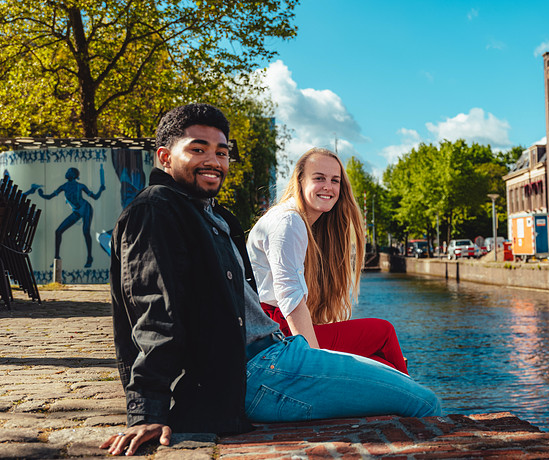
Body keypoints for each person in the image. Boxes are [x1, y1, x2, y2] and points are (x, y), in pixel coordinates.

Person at [102, 103, 441, 456]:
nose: (213, 160)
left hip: (275, 355)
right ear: (165, 157)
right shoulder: (156, 210)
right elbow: (154, 312)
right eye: (197, 149)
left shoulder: (213, 216)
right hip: (262, 371)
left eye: (221, 152)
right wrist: (146, 411)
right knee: (423, 403)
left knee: (400, 385)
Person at [247, 148, 408, 374]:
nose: (328, 187)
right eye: (319, 178)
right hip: (275, 331)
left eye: (335, 180)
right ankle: (417, 403)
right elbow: (289, 297)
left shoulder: (298, 220)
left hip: (274, 328)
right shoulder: (288, 221)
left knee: (384, 364)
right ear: (300, 181)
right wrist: (316, 367)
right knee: (383, 333)